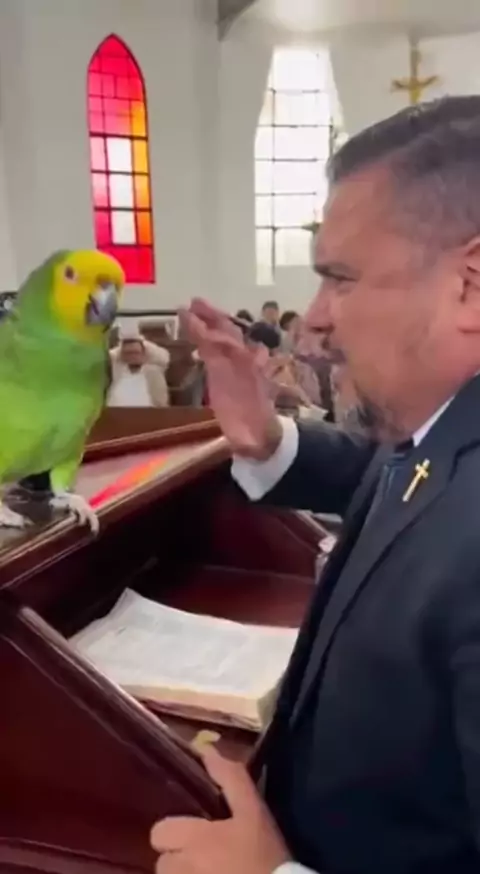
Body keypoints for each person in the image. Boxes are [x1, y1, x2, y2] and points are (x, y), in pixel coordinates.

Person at [150, 96, 480, 874]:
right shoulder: (441, 423)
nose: (316, 318)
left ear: (470, 283)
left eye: (340, 278)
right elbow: (411, 476)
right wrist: (265, 439)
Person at [108, 332, 170, 407]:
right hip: (115, 411)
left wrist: (138, 339)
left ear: (143, 353)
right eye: (128, 353)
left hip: (147, 411)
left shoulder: (153, 372)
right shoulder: (116, 370)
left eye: (136, 353)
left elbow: (161, 403)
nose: (132, 356)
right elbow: (111, 355)